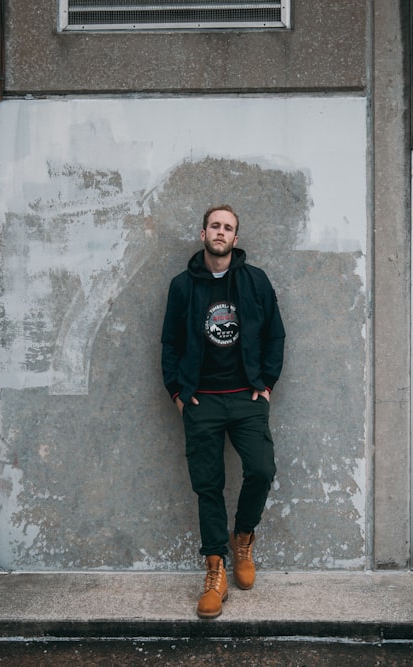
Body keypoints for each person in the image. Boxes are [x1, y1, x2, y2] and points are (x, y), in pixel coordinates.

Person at [160, 204, 285, 619]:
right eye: (215, 225)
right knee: (208, 486)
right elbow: (170, 343)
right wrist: (178, 393)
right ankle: (215, 571)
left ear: (236, 237)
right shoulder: (183, 286)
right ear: (203, 234)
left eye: (228, 227)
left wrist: (265, 385)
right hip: (202, 401)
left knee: (262, 470)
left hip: (246, 398)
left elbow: (275, 335)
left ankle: (243, 537)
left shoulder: (254, 281)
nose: (221, 232)